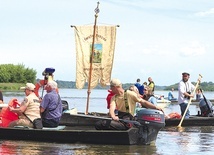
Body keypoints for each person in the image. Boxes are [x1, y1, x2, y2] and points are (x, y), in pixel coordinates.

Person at [95, 79, 162, 130]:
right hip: (120, 119)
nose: (110, 89)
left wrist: (156, 107)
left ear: (116, 87)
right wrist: (113, 116)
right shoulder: (114, 97)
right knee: (98, 124)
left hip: (128, 121)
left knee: (103, 124)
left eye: (111, 87)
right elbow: (112, 107)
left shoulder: (130, 94)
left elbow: (143, 102)